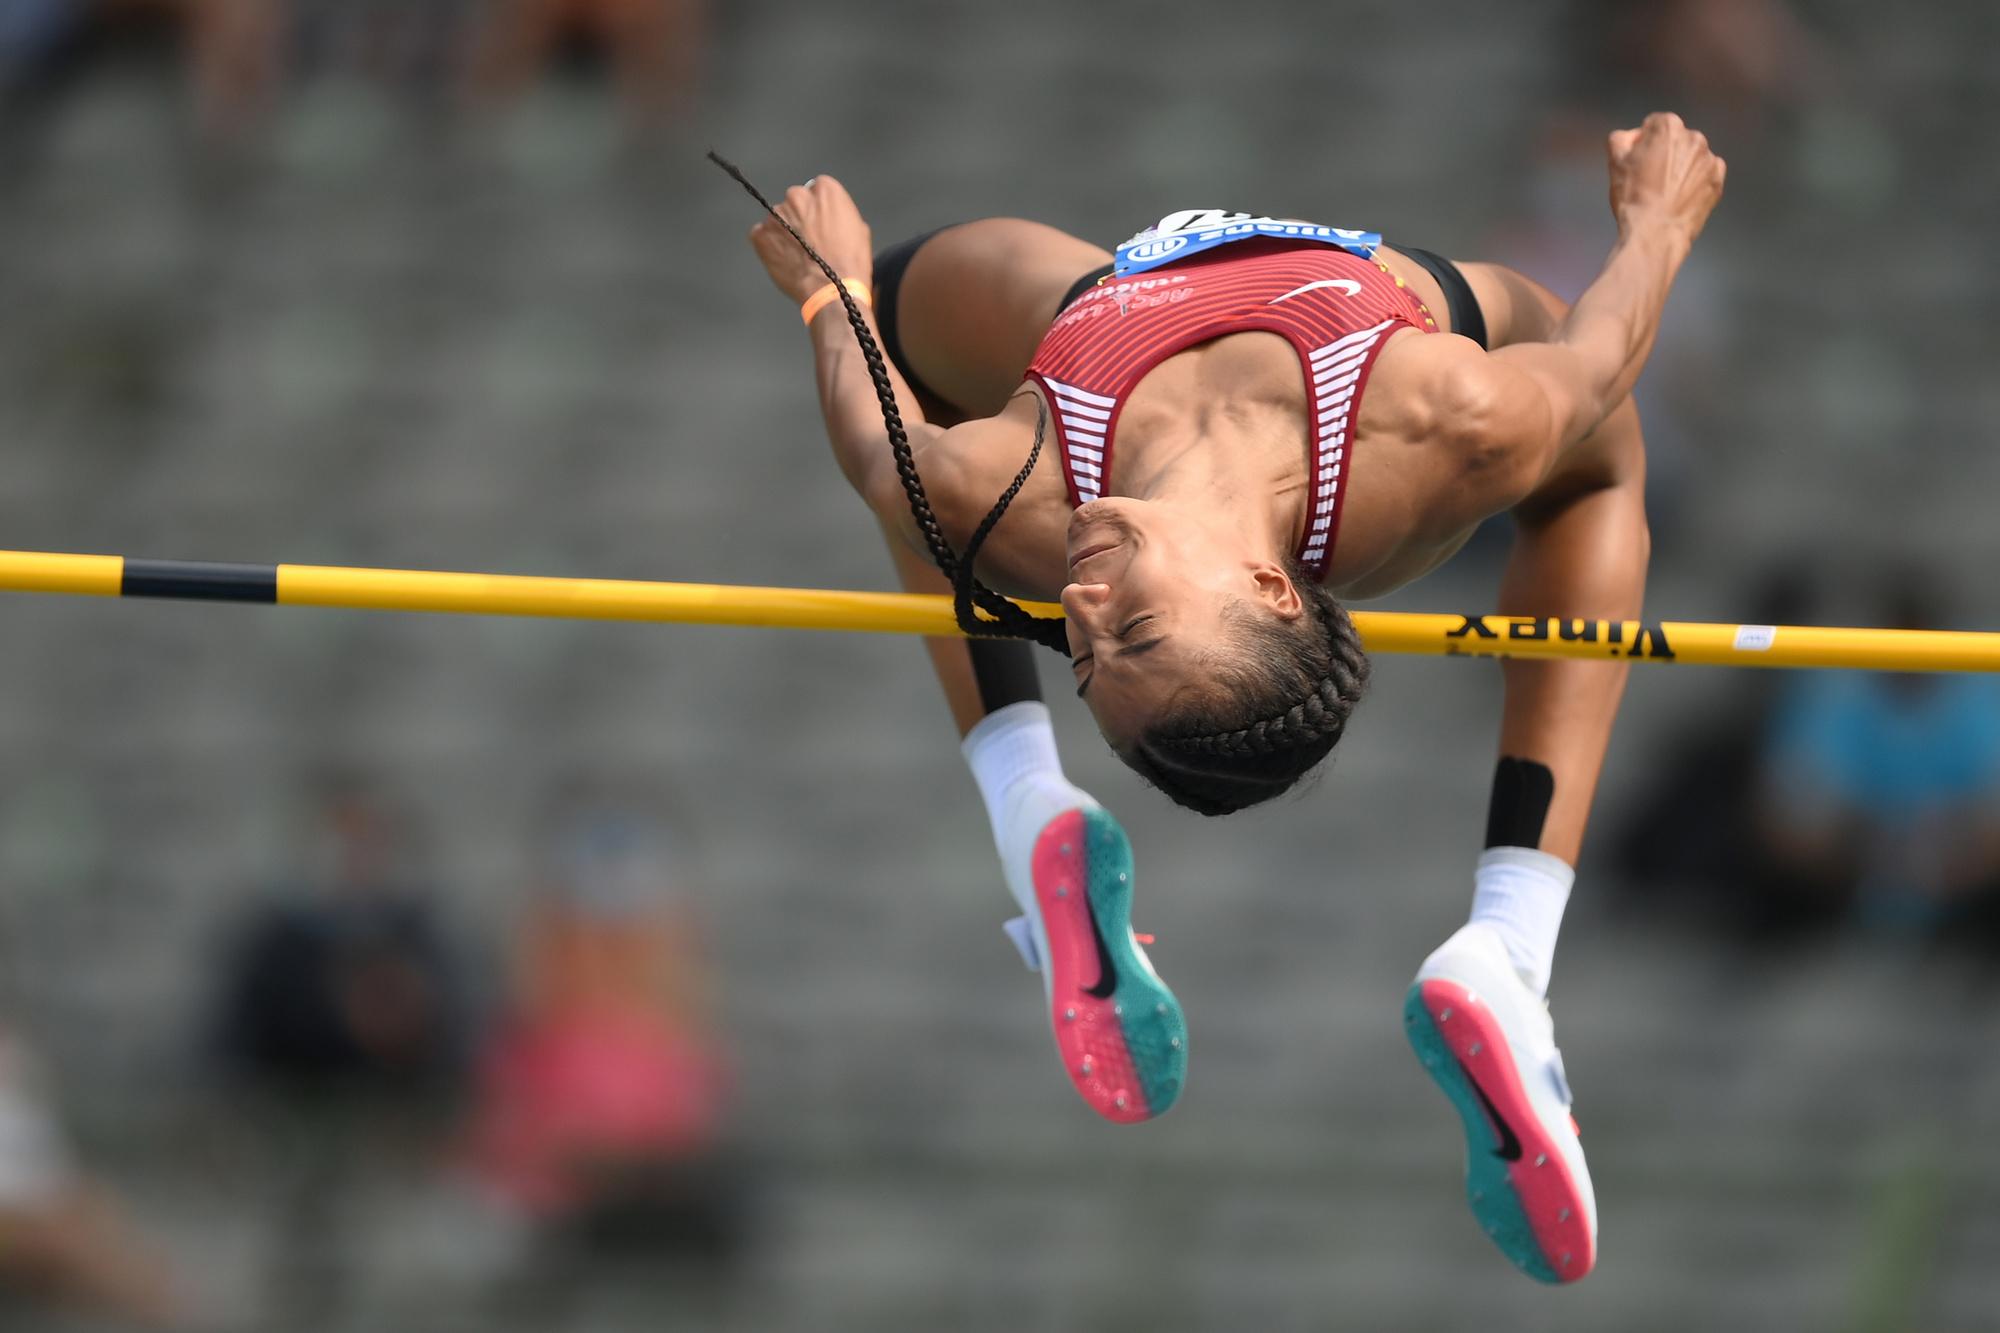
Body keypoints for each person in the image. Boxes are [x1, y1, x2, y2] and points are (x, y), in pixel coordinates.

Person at [734, 112, 1726, 1284]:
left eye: (1086, 657)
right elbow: (1598, 363)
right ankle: (1509, 941)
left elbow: (876, 440)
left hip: (1106, 319)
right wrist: (1657, 222)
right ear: (1268, 585)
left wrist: (829, 292)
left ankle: (1025, 805)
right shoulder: (1443, 421)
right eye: (1135, 624)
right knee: (1596, 455)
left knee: (900, 343)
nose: (1083, 608)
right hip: (1355, 365)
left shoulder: (1019, 506)